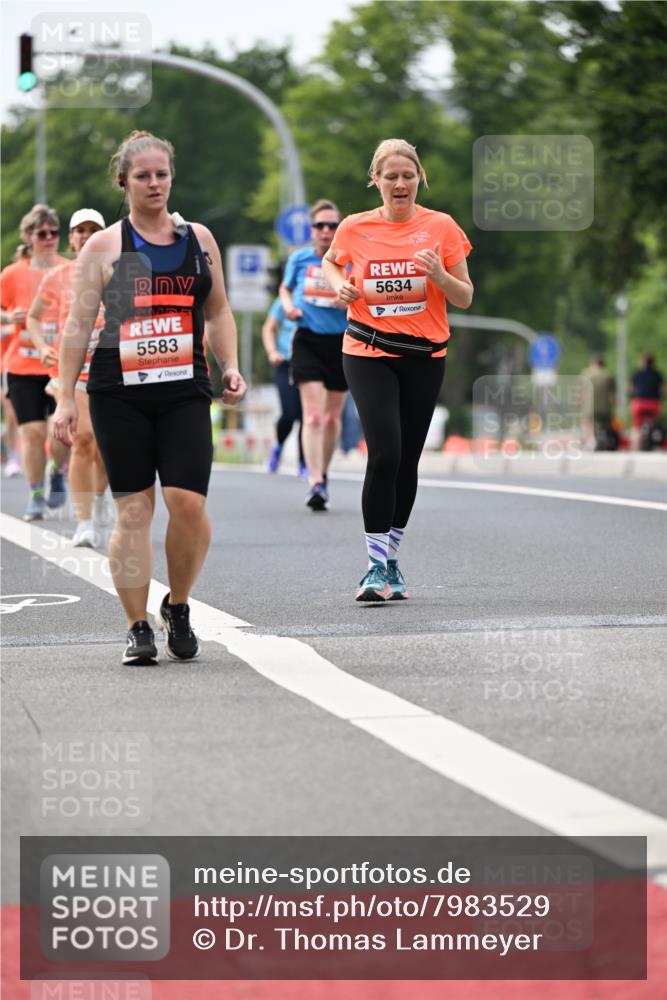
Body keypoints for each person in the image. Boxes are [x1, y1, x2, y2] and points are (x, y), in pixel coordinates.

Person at [53, 130, 247, 665]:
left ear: (172, 177)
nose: (154, 183)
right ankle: (137, 625)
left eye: (162, 174)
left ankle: (177, 605)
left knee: (187, 504)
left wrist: (230, 366)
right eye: (143, 176)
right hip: (120, 392)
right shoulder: (104, 246)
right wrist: (66, 399)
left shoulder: (199, 240)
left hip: (185, 388)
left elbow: (218, 311)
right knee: (134, 511)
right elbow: (77, 325)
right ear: (124, 182)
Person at [322, 138, 473, 602]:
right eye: (391, 176)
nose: (400, 183)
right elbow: (330, 262)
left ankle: (391, 560)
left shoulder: (441, 227)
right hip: (367, 349)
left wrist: (439, 277)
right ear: (377, 181)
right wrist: (339, 288)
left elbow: (464, 295)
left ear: (419, 178)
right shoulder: (354, 227)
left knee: (407, 458)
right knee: (384, 452)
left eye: (408, 175)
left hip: (424, 355)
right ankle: (372, 568)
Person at [27, 208, 111, 547]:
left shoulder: (122, 273)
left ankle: (100, 493)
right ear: (73, 239)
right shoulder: (58, 276)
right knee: (84, 439)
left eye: (94, 229)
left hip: (114, 369)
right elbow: (33, 318)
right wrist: (43, 345)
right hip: (74, 369)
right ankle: (84, 523)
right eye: (80, 230)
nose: (87, 235)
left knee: (108, 446)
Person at [0, 205, 71, 520]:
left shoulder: (69, 270)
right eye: (41, 233)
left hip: (60, 366)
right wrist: (6, 316)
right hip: (22, 367)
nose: (49, 238)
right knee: (31, 433)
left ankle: (57, 471)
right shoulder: (12, 274)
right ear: (28, 237)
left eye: (54, 232)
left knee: (60, 432)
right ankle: (36, 494)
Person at [280, 199, 348, 511]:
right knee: (314, 414)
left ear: (339, 229)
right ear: (311, 230)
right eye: (320, 226)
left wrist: (348, 301)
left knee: (333, 417)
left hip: (342, 343)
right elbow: (284, 288)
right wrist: (289, 307)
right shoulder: (300, 258)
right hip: (307, 340)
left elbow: (364, 292)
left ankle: (324, 471)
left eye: (332, 225)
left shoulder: (350, 259)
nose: (326, 231)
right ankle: (315, 481)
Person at [261, 295, 306, 476]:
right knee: (289, 414)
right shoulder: (285, 300)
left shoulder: (317, 298)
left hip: (307, 363)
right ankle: (278, 447)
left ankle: (305, 462)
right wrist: (272, 352)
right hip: (285, 363)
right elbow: (268, 328)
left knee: (307, 416)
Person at [628, 353, 664, 449]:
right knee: (655, 422)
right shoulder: (657, 374)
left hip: (639, 403)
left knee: (636, 426)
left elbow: (630, 389)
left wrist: (631, 396)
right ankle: (654, 436)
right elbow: (664, 390)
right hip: (653, 404)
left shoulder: (637, 373)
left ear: (642, 362)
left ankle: (636, 444)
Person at [580, 354, 616, 450]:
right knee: (608, 424)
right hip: (606, 409)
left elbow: (581, 394)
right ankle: (609, 440)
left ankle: (586, 442)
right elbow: (613, 395)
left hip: (590, 409)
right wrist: (614, 406)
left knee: (586, 422)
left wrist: (580, 406)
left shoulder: (586, 374)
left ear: (592, 363)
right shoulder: (609, 375)